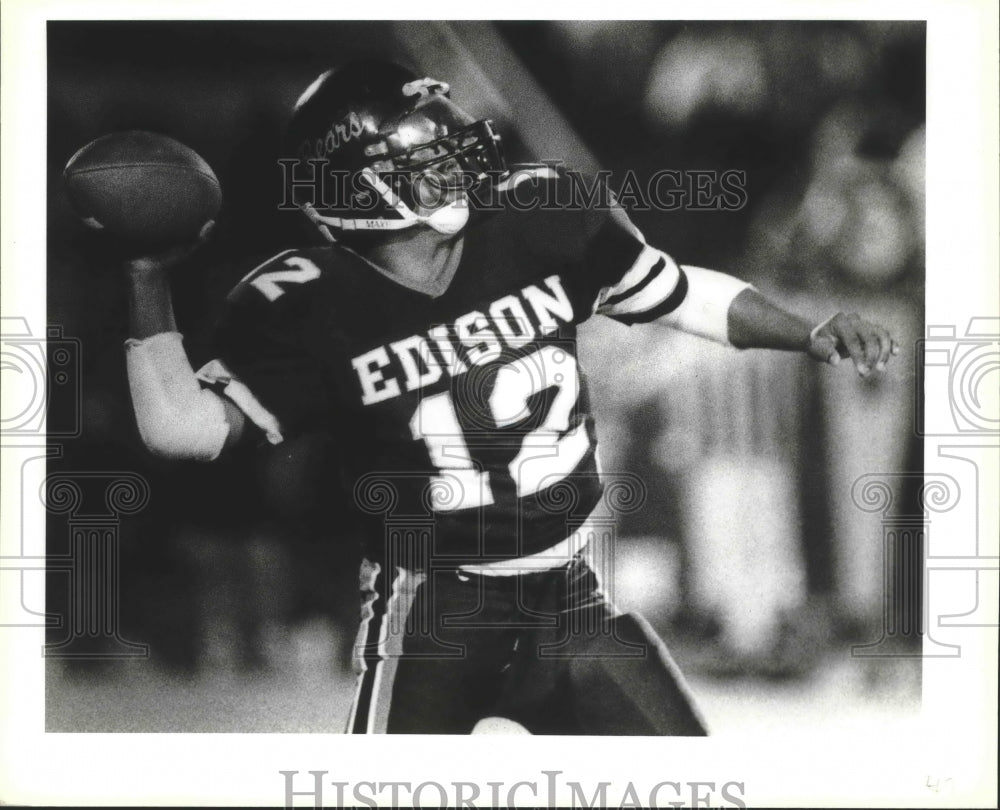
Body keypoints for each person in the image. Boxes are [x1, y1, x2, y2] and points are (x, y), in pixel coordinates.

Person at [122, 59, 898, 734]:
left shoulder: (541, 217)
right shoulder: (310, 300)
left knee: (691, 784)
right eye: (424, 149)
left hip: (571, 596)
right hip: (432, 613)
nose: (456, 156)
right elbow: (183, 430)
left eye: (446, 133)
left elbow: (682, 293)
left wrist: (809, 329)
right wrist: (146, 278)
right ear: (356, 184)